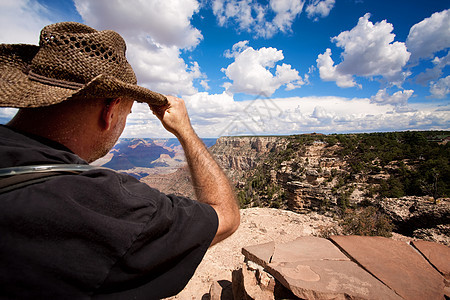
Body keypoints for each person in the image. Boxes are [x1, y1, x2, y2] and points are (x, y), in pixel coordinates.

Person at [0, 22, 240, 299]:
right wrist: (185, 130)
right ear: (111, 110)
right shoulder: (107, 205)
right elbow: (225, 216)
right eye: (128, 112)